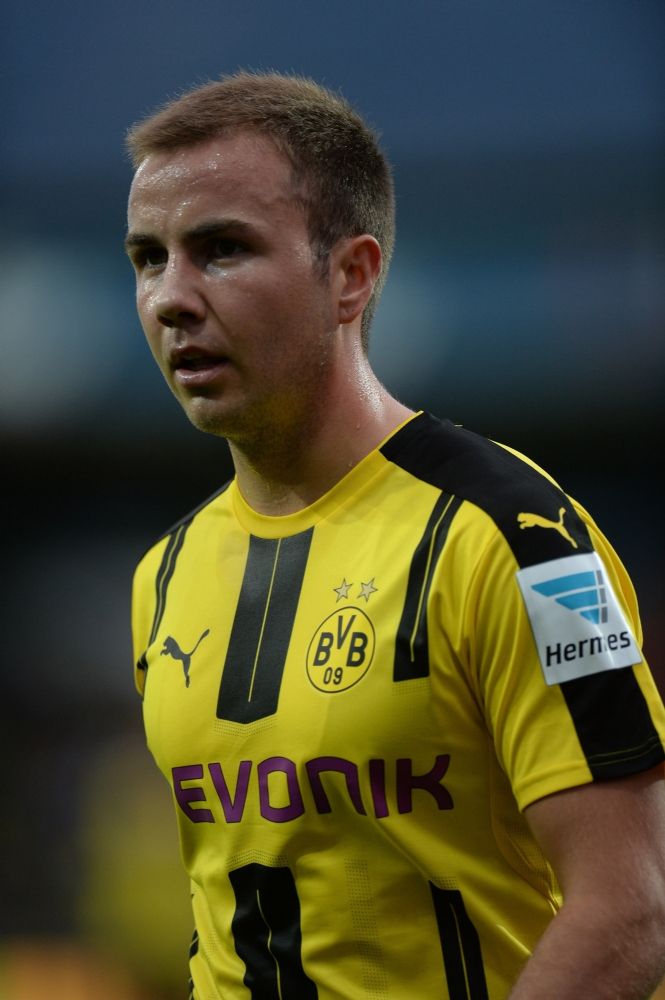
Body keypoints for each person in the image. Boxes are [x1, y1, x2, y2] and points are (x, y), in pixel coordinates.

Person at [125, 71, 665, 999]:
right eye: (147, 258)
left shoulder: (516, 539)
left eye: (221, 249)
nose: (171, 296)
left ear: (351, 275)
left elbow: (631, 908)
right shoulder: (164, 576)